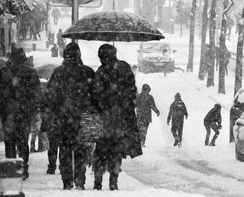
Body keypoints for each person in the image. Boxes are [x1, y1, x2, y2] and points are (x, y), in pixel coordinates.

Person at [92, 44, 142, 191]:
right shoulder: (124, 69)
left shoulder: (100, 72)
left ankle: (98, 180)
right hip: (121, 119)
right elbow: (132, 91)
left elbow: (95, 95)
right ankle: (114, 180)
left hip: (104, 119)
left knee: (101, 150)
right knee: (116, 150)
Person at [47, 42, 95, 190]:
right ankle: (80, 180)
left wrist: (55, 113)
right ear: (79, 55)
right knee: (81, 151)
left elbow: (51, 97)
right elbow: (96, 96)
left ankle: (67, 181)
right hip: (83, 118)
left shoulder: (58, 73)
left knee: (65, 150)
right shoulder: (87, 72)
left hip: (63, 119)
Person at [0, 48, 41, 180]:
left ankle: (12, 168)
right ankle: (23, 168)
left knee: (10, 141)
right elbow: (36, 94)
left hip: (8, 113)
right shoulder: (31, 72)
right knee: (23, 142)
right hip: (24, 113)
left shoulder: (4, 72)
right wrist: (32, 109)